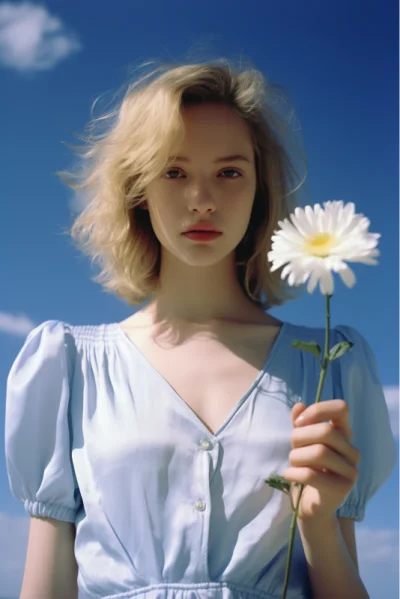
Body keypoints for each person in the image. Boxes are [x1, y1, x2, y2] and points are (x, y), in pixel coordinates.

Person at [5, 59, 396, 599]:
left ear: (261, 188)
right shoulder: (70, 365)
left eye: (230, 172)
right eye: (174, 171)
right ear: (138, 188)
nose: (203, 198)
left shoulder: (333, 365)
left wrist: (317, 527)